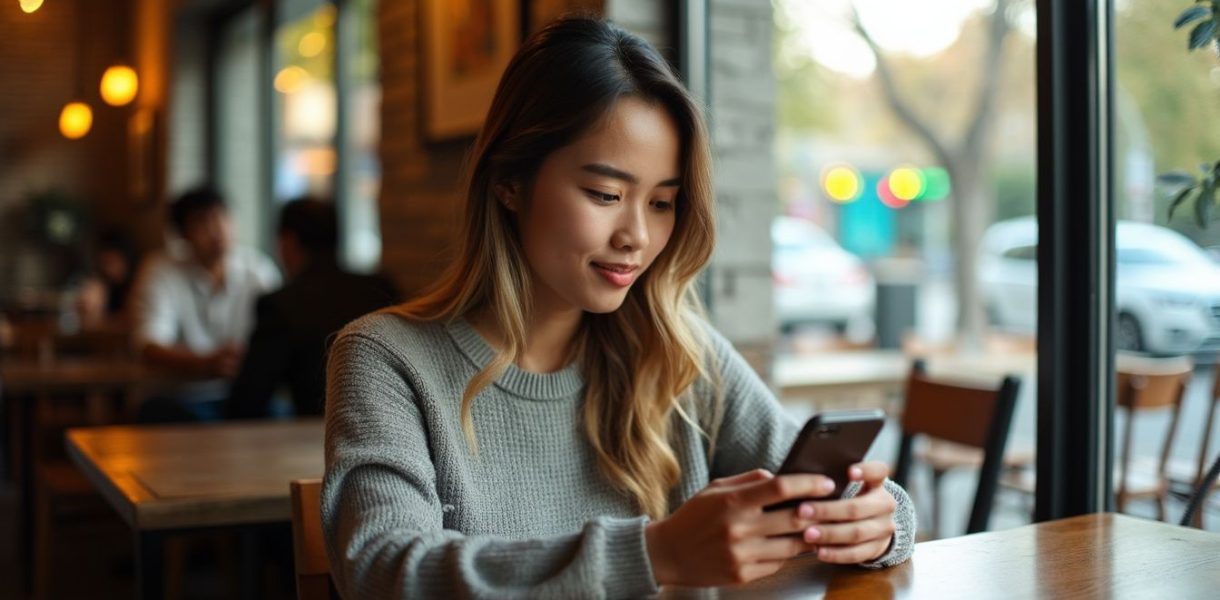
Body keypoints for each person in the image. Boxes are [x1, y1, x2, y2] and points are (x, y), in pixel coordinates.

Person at [323, 17, 915, 598]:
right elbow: (381, 569)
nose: (636, 235)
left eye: (662, 203)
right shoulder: (386, 358)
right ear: (509, 181)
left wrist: (876, 521)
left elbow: (857, 498)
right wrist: (655, 554)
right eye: (606, 195)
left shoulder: (680, 353)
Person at [225, 198, 400, 419]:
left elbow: (247, 402)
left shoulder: (281, 305)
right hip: (392, 428)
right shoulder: (380, 288)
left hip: (315, 441)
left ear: (288, 241)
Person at [131, 186, 281, 421]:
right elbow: (148, 346)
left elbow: (283, 332)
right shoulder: (160, 271)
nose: (217, 230)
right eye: (203, 223)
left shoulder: (257, 270)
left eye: (222, 216)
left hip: (244, 395)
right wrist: (205, 363)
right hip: (181, 397)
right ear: (182, 235)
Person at [75, 228, 139, 327]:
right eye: (104, 263)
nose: (107, 269)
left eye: (111, 262)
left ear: (126, 259)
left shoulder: (138, 284)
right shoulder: (100, 285)